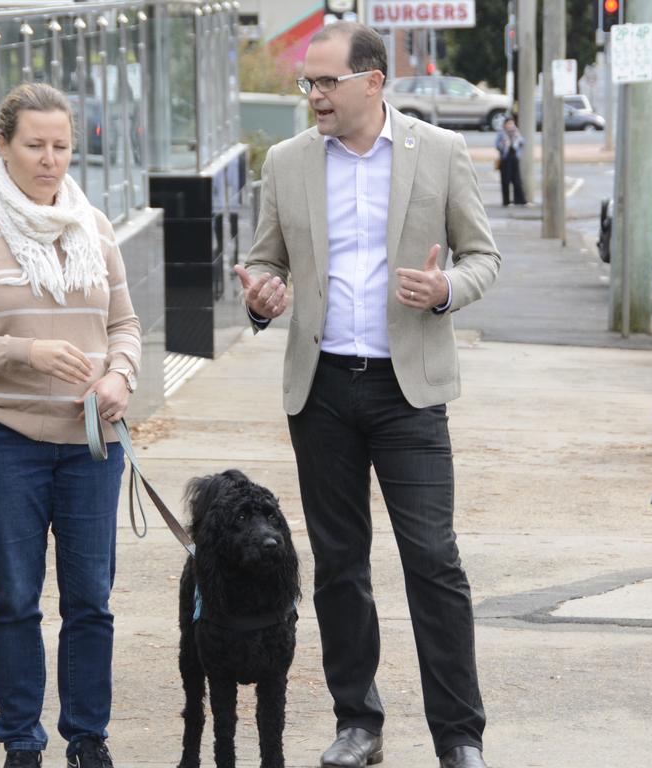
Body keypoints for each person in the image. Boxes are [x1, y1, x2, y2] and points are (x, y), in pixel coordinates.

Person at [233, 21, 500, 768]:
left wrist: (447, 287)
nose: (313, 95)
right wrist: (262, 299)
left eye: (326, 82)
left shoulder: (439, 153)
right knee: (339, 563)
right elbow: (261, 264)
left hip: (407, 393)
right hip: (320, 391)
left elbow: (484, 255)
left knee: (433, 560)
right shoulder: (286, 163)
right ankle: (359, 721)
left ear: (373, 82)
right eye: (307, 84)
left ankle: (460, 736)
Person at [0, 83, 141, 768]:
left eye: (62, 146)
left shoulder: (93, 227)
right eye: (35, 145)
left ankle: (88, 738)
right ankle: (22, 739)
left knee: (90, 600)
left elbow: (125, 325)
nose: (50, 160)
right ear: (3, 144)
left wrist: (120, 377)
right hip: (1, 438)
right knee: (15, 597)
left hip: (91, 443)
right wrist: (25, 353)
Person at [495, 116, 527, 206]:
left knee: (517, 180)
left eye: (512, 123)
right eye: (509, 123)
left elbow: (523, 142)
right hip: (505, 159)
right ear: (505, 125)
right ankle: (506, 201)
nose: (510, 125)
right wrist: (503, 143)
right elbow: (497, 146)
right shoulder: (501, 133)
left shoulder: (516, 132)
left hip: (514, 157)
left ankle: (519, 200)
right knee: (505, 180)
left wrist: (516, 136)